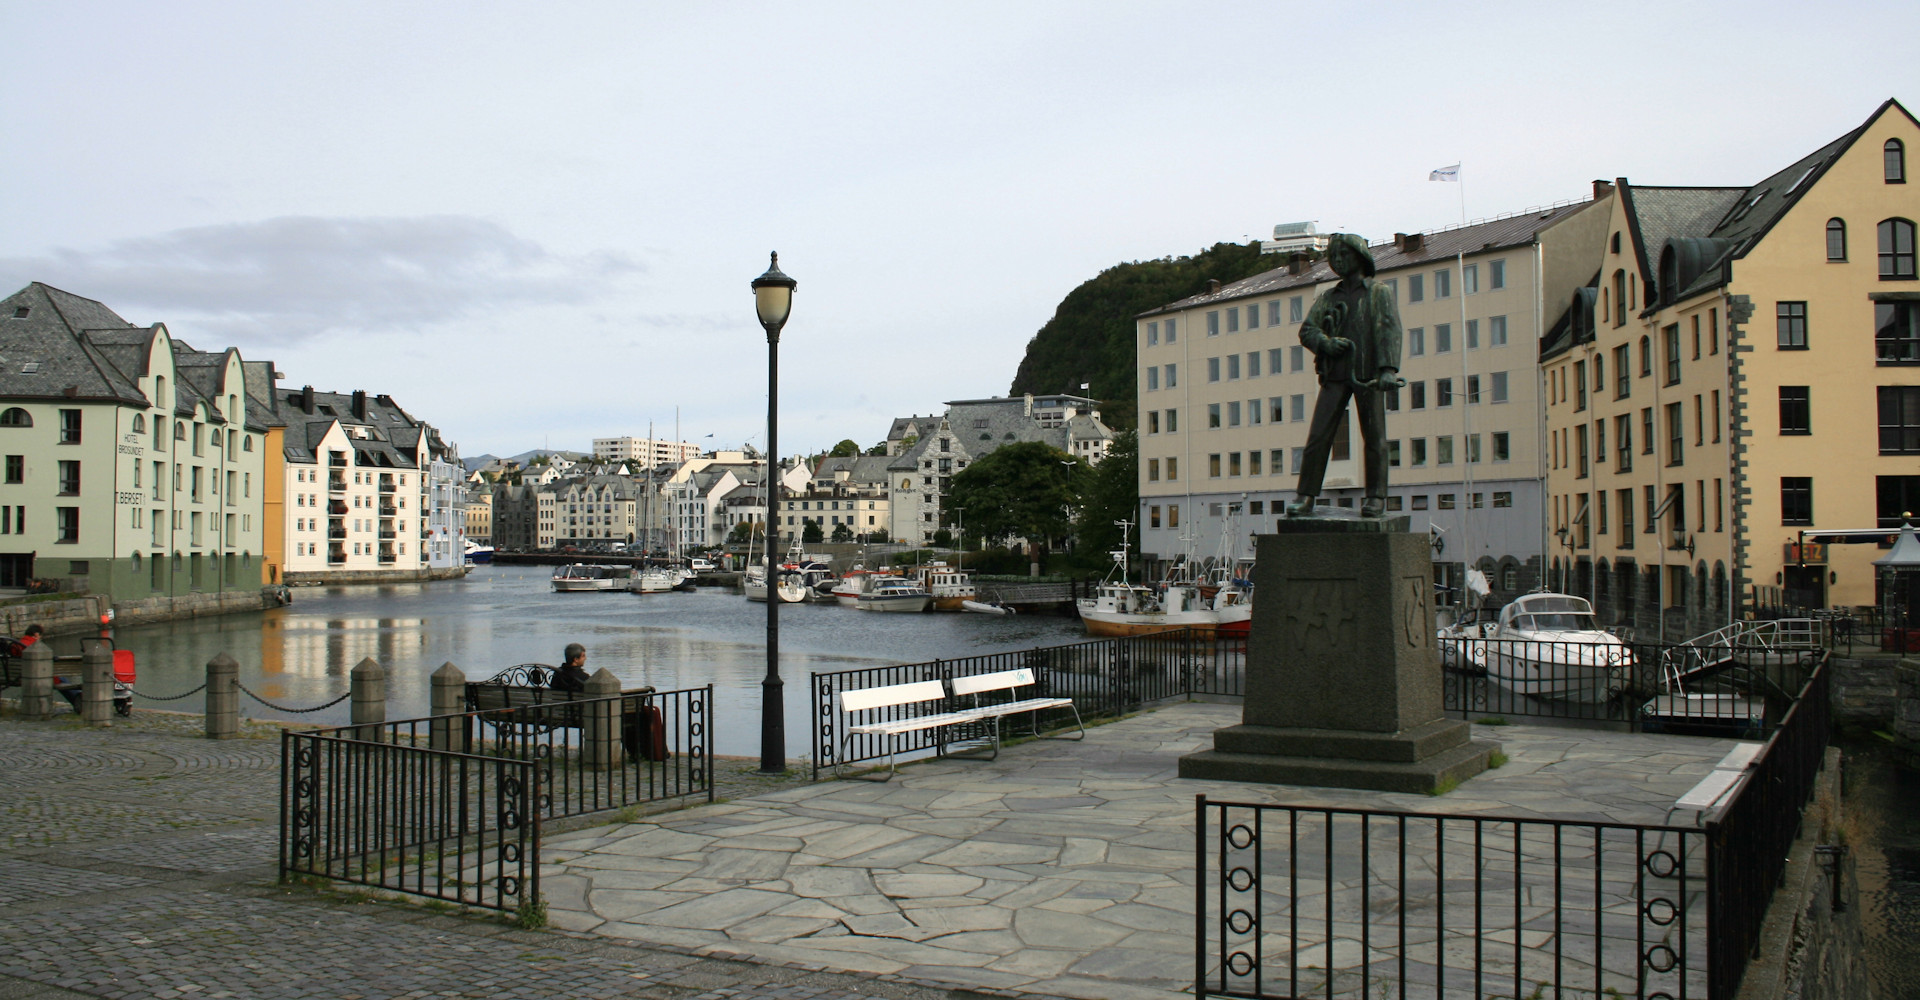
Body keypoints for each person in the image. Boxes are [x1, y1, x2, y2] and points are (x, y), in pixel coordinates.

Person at [1288, 233, 1407, 518]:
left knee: (1375, 437)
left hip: (1368, 375)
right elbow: (1308, 330)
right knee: (1318, 437)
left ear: (1360, 257)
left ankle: (1376, 497)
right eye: (1334, 257)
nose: (1339, 261)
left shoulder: (1379, 293)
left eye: (1344, 255)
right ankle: (1305, 496)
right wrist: (1325, 343)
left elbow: (1390, 330)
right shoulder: (1329, 296)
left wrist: (1388, 369)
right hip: (1335, 374)